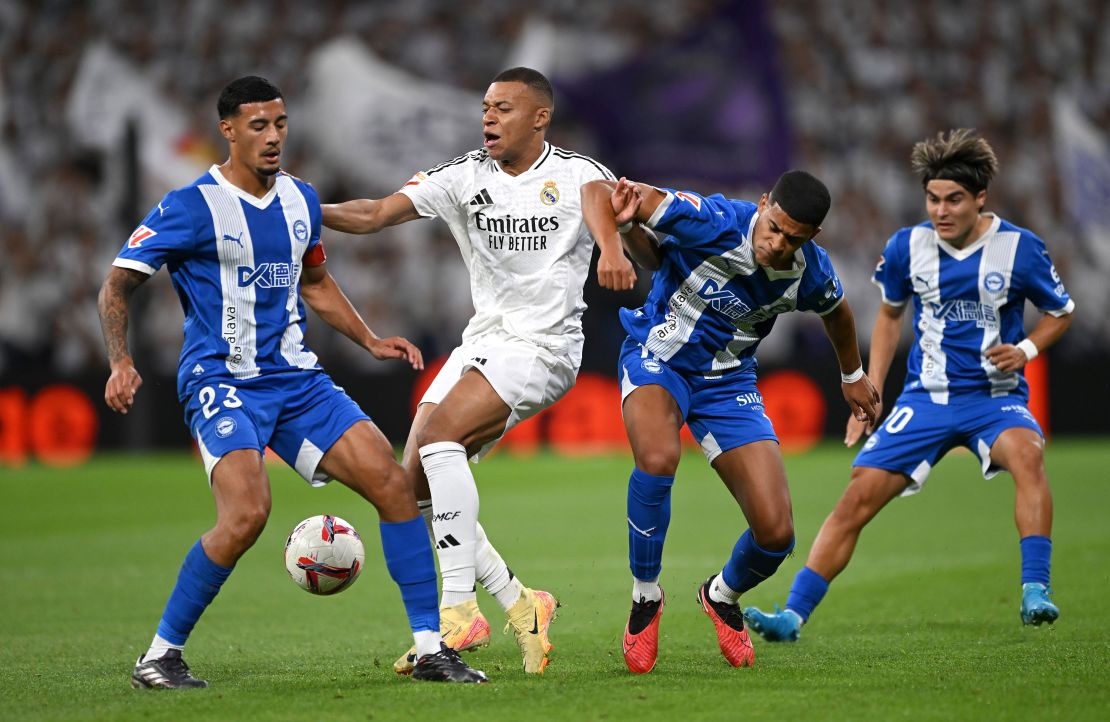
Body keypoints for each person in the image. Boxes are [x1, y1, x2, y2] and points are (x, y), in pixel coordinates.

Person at [98, 76, 486, 688]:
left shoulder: (301, 199)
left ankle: (430, 647)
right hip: (222, 381)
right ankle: (159, 656)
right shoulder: (190, 205)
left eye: (280, 123)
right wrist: (121, 360)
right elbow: (118, 282)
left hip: (297, 380)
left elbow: (315, 283)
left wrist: (368, 338)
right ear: (228, 131)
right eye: (258, 125)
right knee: (247, 514)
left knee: (391, 483)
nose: (273, 136)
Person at [322, 67, 638, 675]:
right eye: (485, 107)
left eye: (503, 108)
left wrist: (616, 250)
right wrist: (301, 205)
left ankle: (458, 610)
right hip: (482, 344)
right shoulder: (462, 177)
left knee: (440, 442)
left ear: (539, 117)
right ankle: (522, 602)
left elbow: (600, 206)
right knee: (408, 489)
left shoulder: (577, 172)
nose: (487, 118)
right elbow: (375, 213)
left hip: (544, 347)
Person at [744, 129, 1075, 643]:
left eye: (954, 200)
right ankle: (792, 616)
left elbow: (1061, 313)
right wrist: (869, 392)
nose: (941, 211)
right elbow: (889, 319)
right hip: (926, 401)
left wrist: (1026, 350)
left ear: (980, 198)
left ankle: (1036, 589)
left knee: (1028, 456)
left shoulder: (1019, 249)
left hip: (995, 398)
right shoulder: (907, 247)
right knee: (856, 499)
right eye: (933, 199)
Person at [580, 171, 880, 674]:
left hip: (728, 383)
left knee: (776, 533)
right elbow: (595, 190)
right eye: (775, 227)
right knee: (657, 459)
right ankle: (646, 597)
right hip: (660, 356)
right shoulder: (714, 220)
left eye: (793, 238)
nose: (778, 243)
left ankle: (720, 595)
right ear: (763, 204)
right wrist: (612, 247)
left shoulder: (810, 271)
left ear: (812, 238)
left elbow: (839, 313)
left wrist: (852, 374)